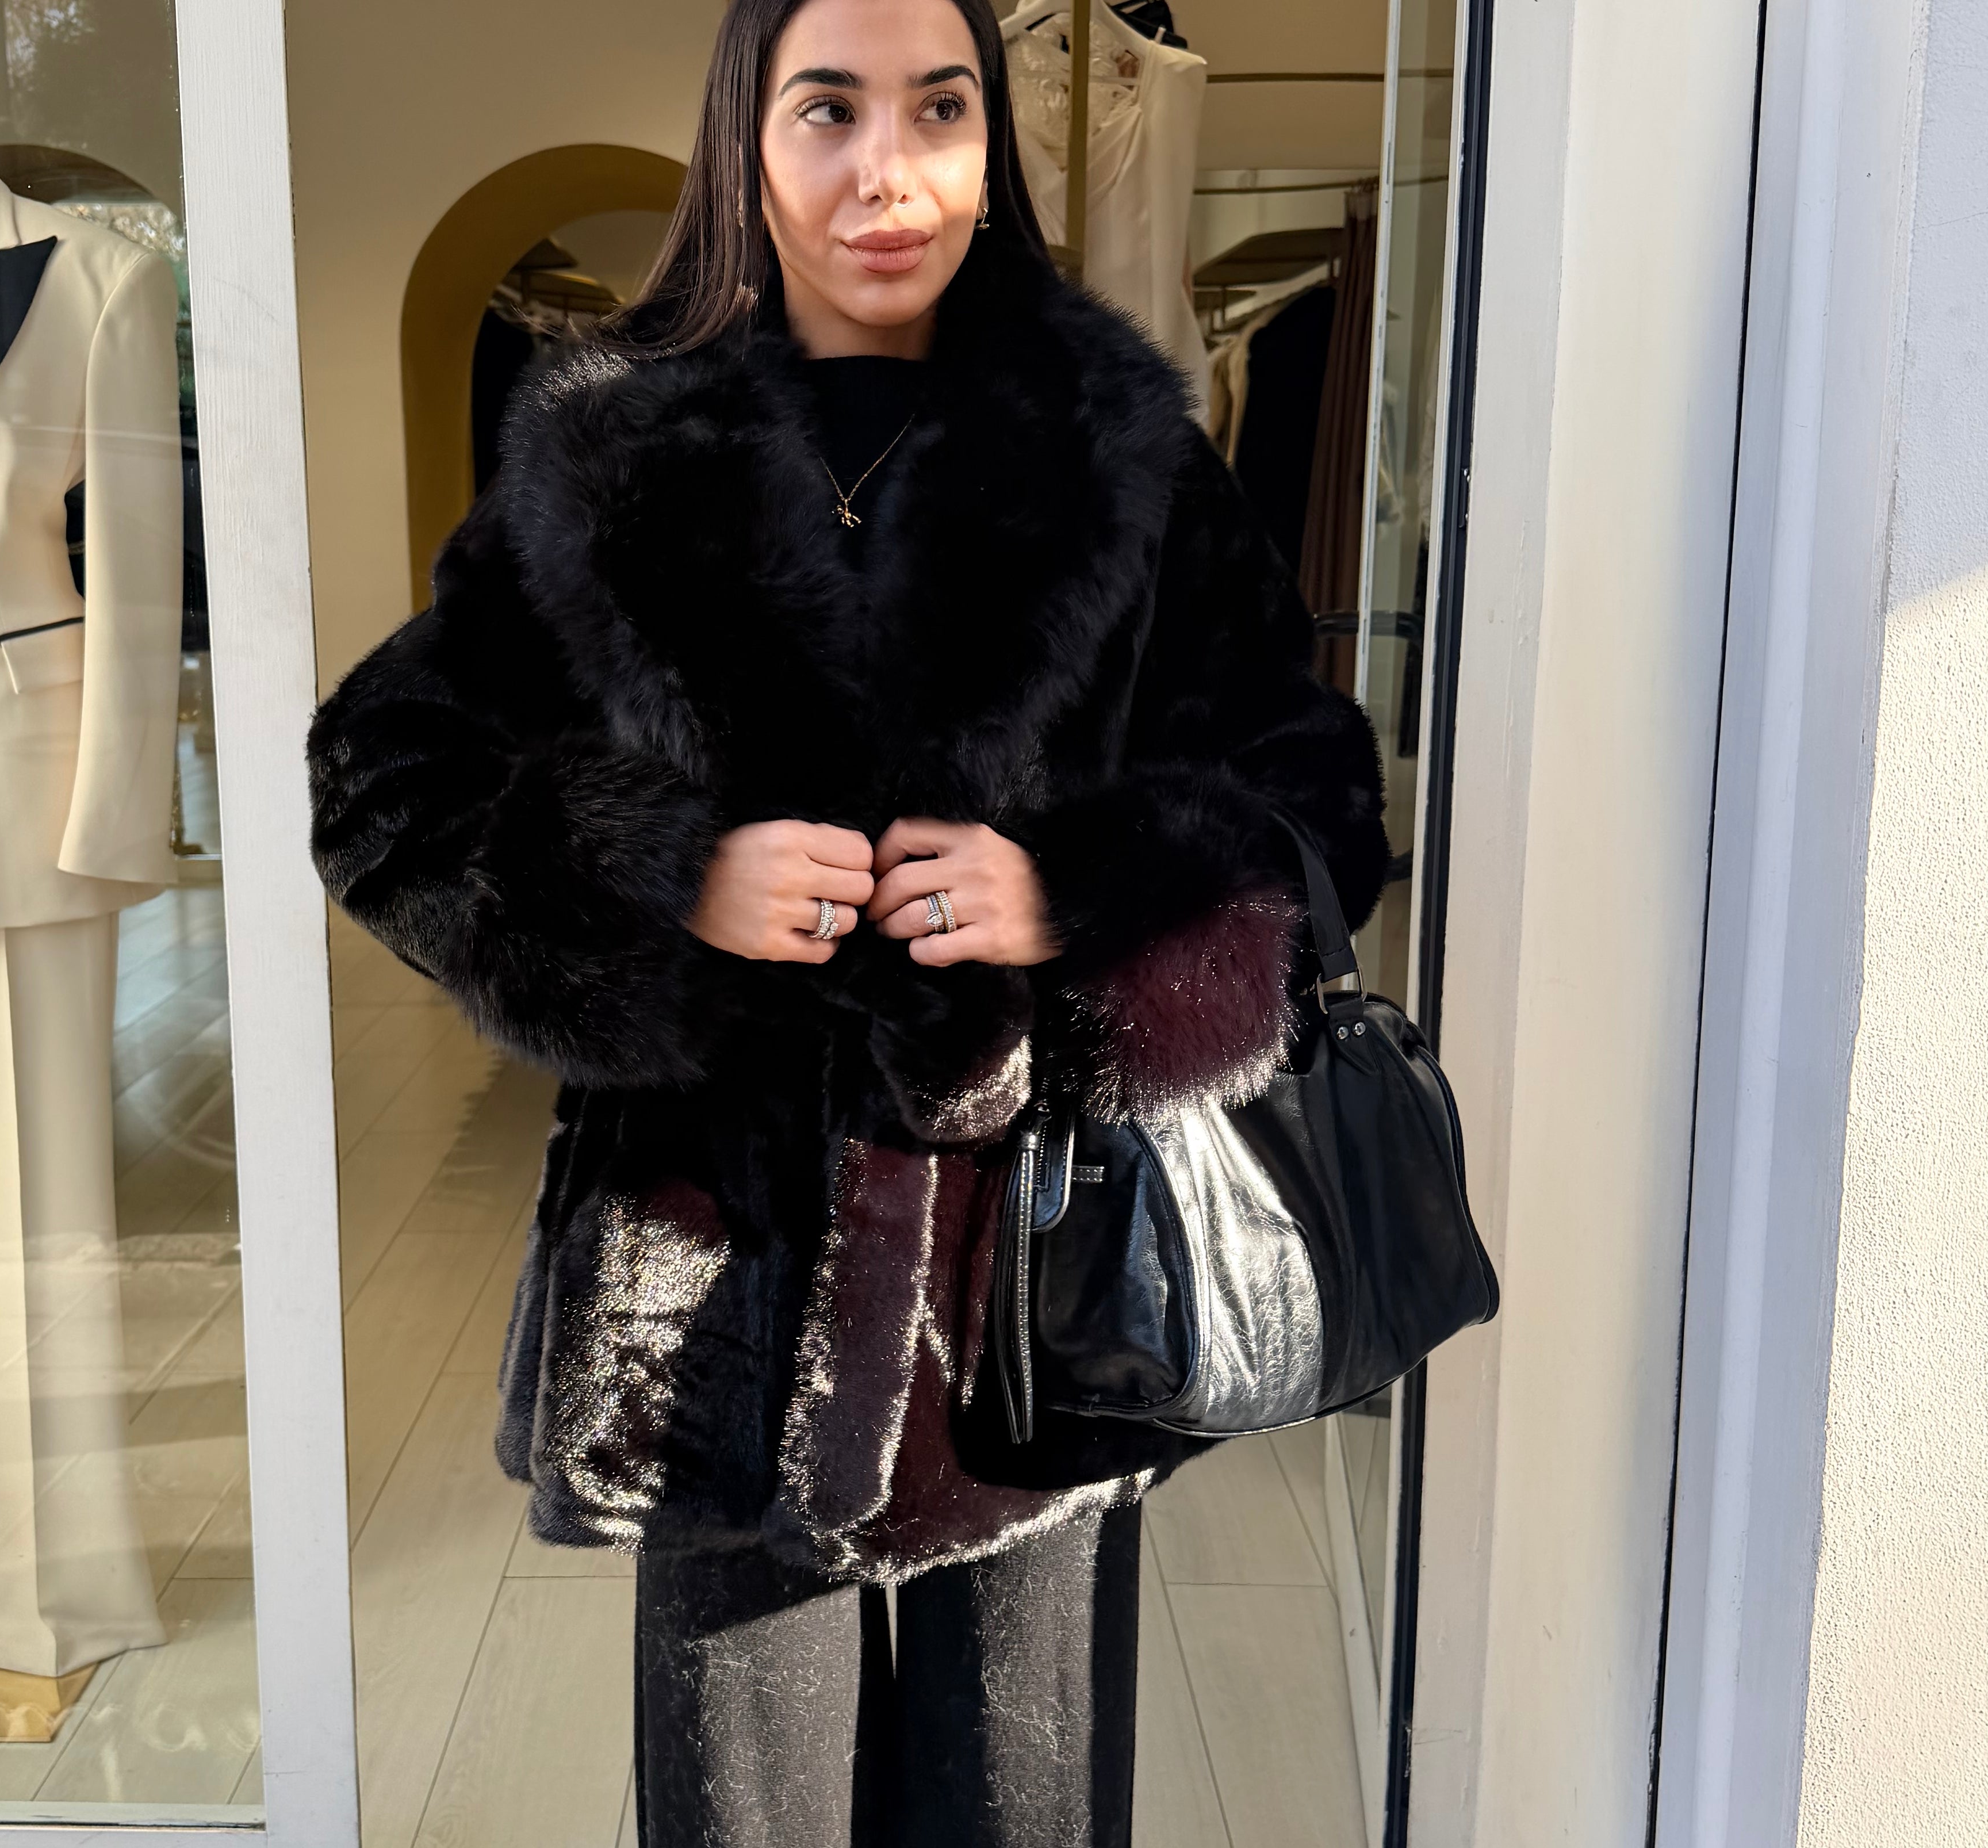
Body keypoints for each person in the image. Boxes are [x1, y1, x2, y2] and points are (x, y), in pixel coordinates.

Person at [308, 0, 1388, 1837]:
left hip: (1037, 1289)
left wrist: (1079, 894)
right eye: (828, 110)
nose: (886, 172)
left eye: (937, 110)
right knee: (745, 1812)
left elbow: (1312, 799)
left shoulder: (1117, 451)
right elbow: (383, 780)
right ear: (746, 138)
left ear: (989, 147)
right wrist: (663, 873)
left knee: (1019, 1804)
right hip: (709, 1283)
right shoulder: (609, 456)